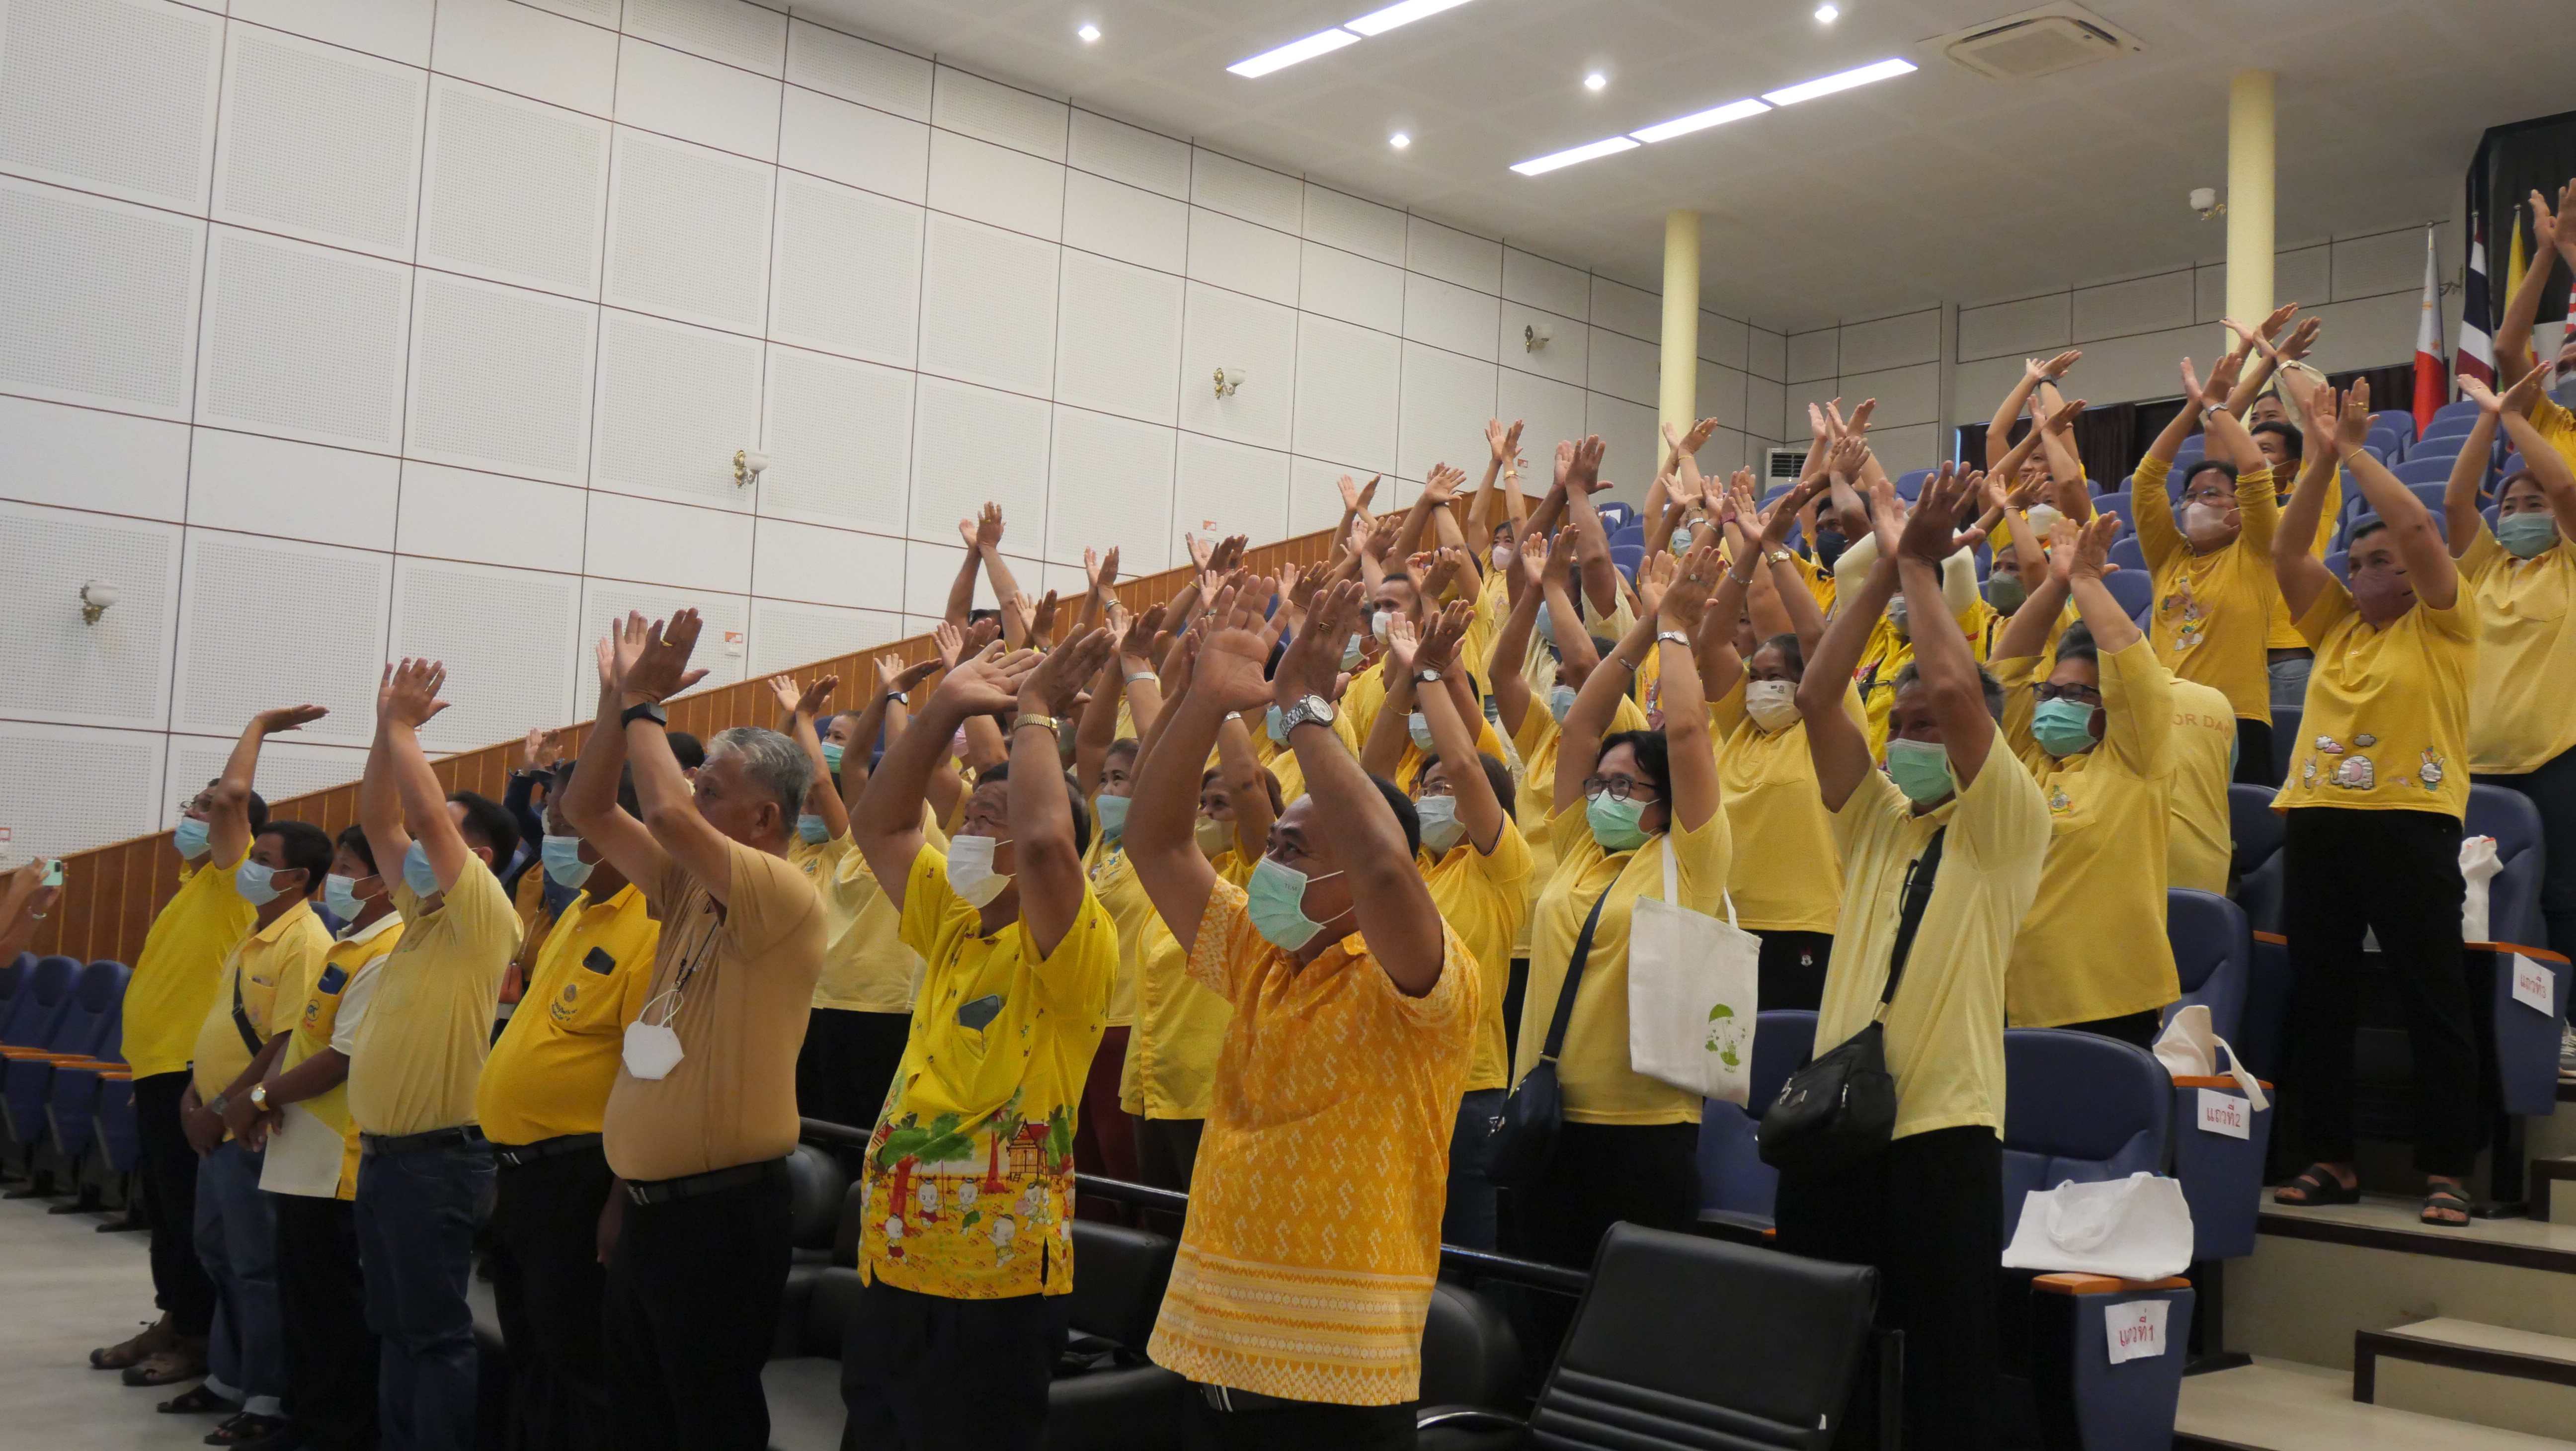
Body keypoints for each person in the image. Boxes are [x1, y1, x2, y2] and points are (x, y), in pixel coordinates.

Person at [1122, 575, 1478, 1449]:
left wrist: (1304, 712)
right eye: (1271, 846)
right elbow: (1154, 842)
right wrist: (1205, 701)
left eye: (1295, 850)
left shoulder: (1425, 979)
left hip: (1339, 1389)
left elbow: (1386, 867)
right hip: (1212, 1361)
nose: (1269, 866)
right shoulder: (1259, 952)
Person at [1779, 465, 2050, 1451]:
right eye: (1895, 727)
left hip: (1942, 1131)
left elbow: (1948, 681)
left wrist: (1924, 569)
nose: (1905, 737)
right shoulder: (1878, 822)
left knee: (1944, 1374)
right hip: (1836, 1127)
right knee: (1823, 1365)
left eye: (1925, 728)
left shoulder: (2005, 821)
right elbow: (1817, 695)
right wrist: (1887, 573)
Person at [842, 629, 1119, 1451]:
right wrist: (946, 706)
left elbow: (1044, 844)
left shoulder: (1073, 943)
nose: (964, 834)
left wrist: (1033, 715)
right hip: (895, 1257)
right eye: (966, 817)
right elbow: (879, 825)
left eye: (987, 820)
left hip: (995, 1281)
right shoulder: (952, 918)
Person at [562, 611, 827, 1451]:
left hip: (723, 1217)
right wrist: (616, 706)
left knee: (710, 1424)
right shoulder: (687, 892)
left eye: (710, 787)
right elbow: (585, 806)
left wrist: (646, 705)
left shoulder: (781, 894)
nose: (687, 795)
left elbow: (669, 819)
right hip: (651, 1207)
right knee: (639, 1419)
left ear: (763, 820)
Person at [1511, 437, 1731, 1275]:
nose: (1602, 795)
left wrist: (1674, 628)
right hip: (1547, 1119)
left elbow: (1686, 731)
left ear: (1664, 803)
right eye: (1597, 784)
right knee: (1541, 1303)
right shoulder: (1580, 848)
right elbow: (1578, 726)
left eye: (1624, 786)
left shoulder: (1688, 859)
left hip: (1644, 1132)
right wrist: (1642, 630)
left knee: (1630, 1311)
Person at [2269, 381, 2483, 1227]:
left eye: (2379, 561)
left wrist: (2355, 450)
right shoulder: (2333, 626)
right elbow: (2287, 551)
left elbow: (2421, 529)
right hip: (2319, 819)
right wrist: (2319, 459)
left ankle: (2447, 1168)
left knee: (2432, 995)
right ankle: (2328, 1156)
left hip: (2411, 823)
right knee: (2318, 995)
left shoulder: (2445, 623)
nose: (2363, 573)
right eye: (2354, 564)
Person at [351, 659, 524, 1451]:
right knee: (393, 1327)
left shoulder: (483, 916)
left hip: (437, 1162)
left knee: (433, 1334)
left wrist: (405, 730)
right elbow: (380, 818)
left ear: (477, 857)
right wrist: (383, 730)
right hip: (385, 1157)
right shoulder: (419, 914)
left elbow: (418, 817)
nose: (417, 844)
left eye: (441, 836)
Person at [474, 757, 660, 1451]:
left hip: (581, 1177)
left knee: (580, 1362)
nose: (549, 837)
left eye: (562, 823)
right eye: (549, 821)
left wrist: (619, 1199)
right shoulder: (577, 911)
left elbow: (652, 1079)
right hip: (522, 1173)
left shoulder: (653, 924)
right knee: (529, 1352)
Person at [89, 716, 282, 1390]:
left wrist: (260, 726)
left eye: (204, 807)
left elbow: (234, 797)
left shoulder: (234, 879)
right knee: (166, 1214)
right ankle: (173, 1318)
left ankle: (199, 1337)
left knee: (189, 1215)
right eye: (194, 804)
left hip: (190, 1077)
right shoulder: (191, 884)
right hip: (158, 1072)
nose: (195, 814)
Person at [1367, 601, 1530, 1250]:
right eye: (1426, 788)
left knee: (1467, 1255)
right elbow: (1371, 779)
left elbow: (1465, 765)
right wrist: (1405, 682)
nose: (1435, 796)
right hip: (1390, 1080)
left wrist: (1432, 673)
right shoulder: (1408, 867)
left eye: (1445, 790)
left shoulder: (1501, 867)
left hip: (1468, 1088)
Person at [1991, 516, 2180, 1045]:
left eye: (2076, 695)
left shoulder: (2135, 760)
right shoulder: (2024, 758)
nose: (2055, 704)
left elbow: (2135, 670)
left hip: (2104, 998)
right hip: (2006, 993)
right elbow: (2003, 672)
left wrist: (2087, 582)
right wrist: (2055, 585)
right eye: (2050, 692)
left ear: (2110, 707)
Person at [186, 809, 335, 1446]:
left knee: (255, 1264)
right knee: (215, 1250)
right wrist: (193, 1096)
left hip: (247, 1125)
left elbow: (287, 1040)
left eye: (263, 861)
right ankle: (229, 1373)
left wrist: (230, 1105)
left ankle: (267, 1394)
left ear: (297, 877)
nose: (250, 868)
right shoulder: (255, 931)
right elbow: (226, 1021)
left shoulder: (306, 940)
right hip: (216, 1115)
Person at [253, 824, 403, 1451]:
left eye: (345, 867)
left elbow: (342, 1057)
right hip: (303, 1150)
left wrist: (261, 1098)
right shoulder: (348, 942)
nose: (334, 879)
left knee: (332, 1309)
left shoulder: (387, 948)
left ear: (382, 879)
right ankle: (304, 1417)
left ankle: (334, 1431)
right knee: (304, 1301)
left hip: (337, 1158)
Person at [1693, 473, 1849, 1010]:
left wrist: (1774, 550)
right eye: (1755, 676)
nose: (1760, 686)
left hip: (1807, 925)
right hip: (1726, 925)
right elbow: (1713, 640)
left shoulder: (1824, 727)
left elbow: (1815, 637)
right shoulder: (1738, 726)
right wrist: (1740, 548)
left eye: (1776, 676)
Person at [797, 655, 949, 1139]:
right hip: (828, 999)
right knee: (823, 1128)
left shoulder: (921, 835)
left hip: (887, 1007)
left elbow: (902, 765)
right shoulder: (855, 840)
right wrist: (885, 693)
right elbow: (854, 764)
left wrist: (898, 700)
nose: (875, 793)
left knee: (867, 1134)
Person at [2456, 374, 2576, 958]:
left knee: (2562, 896)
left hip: (2558, 758)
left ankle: (2567, 1008)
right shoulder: (2485, 565)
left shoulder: (2570, 563)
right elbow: (2456, 502)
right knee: (2477, 896)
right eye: (2509, 506)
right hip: (2475, 761)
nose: (2519, 514)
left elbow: (2566, 483)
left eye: (2535, 505)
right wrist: (2487, 419)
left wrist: (2513, 417)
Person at [2131, 349, 2285, 783]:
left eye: (2212, 494)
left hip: (2237, 719)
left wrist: (2215, 406)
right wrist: (2191, 409)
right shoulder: (2169, 556)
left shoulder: (2256, 552)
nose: (2197, 503)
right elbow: (2146, 481)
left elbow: (2253, 468)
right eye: (2191, 496)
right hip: (2167, 718)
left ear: (2240, 508)